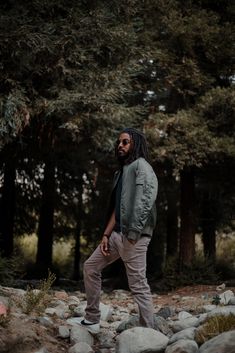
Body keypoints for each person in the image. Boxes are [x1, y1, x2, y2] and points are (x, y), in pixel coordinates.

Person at [78, 128, 158, 334]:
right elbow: (117, 208)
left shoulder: (142, 166)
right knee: (90, 267)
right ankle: (92, 318)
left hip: (134, 237)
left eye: (125, 142)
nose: (120, 146)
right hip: (115, 236)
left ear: (136, 144)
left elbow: (146, 199)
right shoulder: (121, 172)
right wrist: (106, 235)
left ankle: (149, 333)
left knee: (138, 285)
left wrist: (133, 233)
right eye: (119, 142)